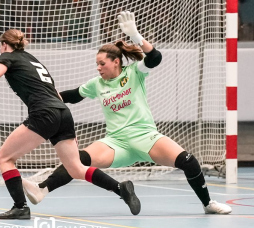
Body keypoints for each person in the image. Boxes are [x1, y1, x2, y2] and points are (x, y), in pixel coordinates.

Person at [21, 11, 232, 215]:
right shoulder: (97, 84)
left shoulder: (134, 73)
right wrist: (42, 93)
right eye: (97, 64)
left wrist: (136, 37)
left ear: (116, 62)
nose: (98, 68)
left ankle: (208, 203)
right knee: (78, 159)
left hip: (145, 136)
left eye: (102, 64)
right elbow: (72, 95)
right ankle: (42, 189)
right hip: (116, 142)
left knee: (188, 161)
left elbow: (155, 57)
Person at [0, 28, 142, 219]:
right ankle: (120, 188)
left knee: (4, 157)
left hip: (43, 113)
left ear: (4, 45)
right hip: (63, 113)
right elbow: (54, 92)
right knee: (75, 168)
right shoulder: (32, 60)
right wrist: (63, 125)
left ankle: (20, 207)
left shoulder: (8, 57)